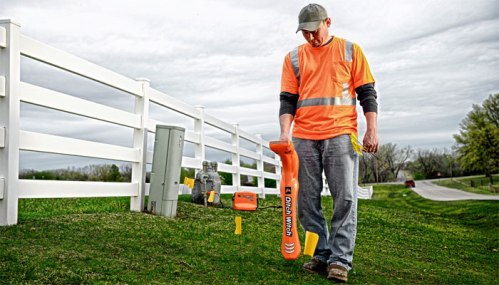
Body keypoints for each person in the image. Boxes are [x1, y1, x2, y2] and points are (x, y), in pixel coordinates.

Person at [278, 3, 379, 283]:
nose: (311, 37)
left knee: (344, 198)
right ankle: (320, 254)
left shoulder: (350, 50)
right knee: (306, 200)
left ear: (328, 22)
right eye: (305, 33)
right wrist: (285, 134)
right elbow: (288, 99)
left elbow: (367, 93)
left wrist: (372, 129)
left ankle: (340, 260)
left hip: (340, 134)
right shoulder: (294, 58)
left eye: (314, 30)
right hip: (304, 136)